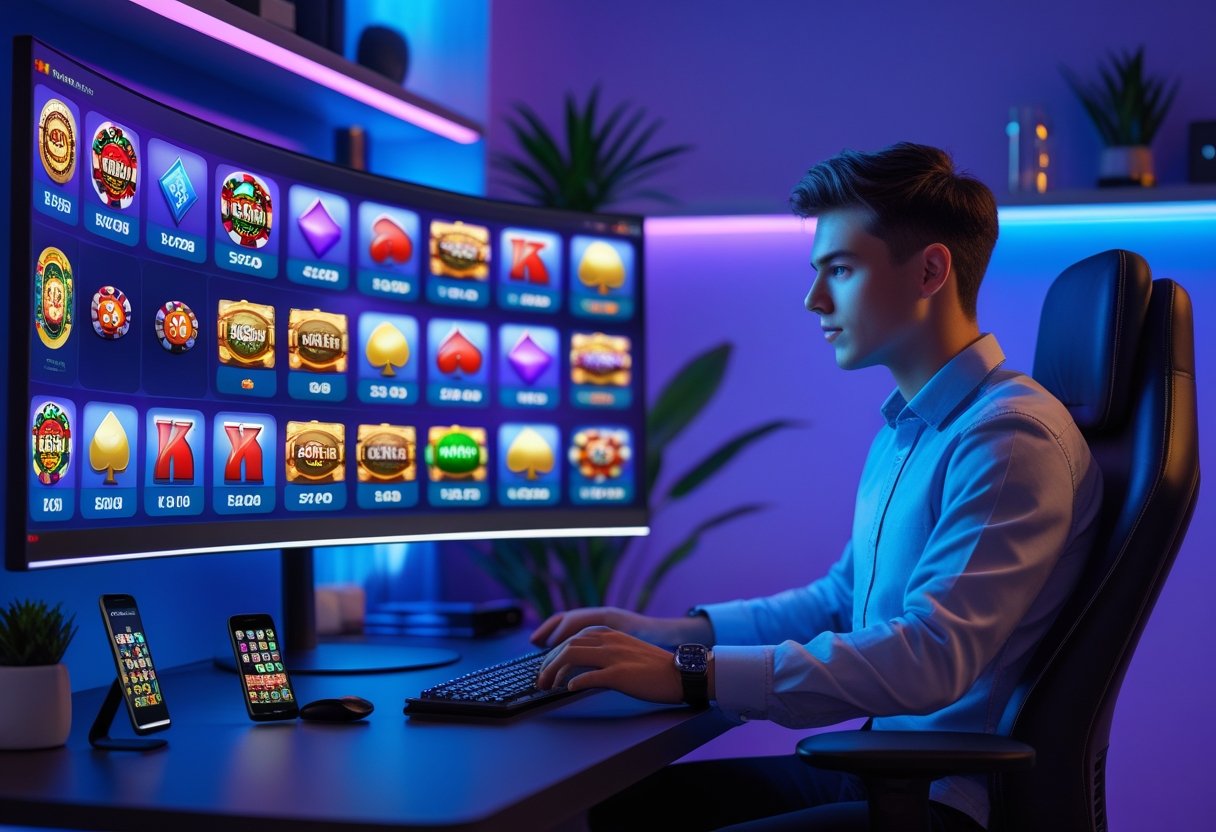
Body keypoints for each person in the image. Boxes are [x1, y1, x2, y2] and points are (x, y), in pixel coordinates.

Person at [532, 142, 1104, 831]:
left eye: (840, 269)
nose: (814, 300)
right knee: (600, 812)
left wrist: (688, 671)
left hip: (943, 801)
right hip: (885, 771)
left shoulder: (1009, 437)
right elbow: (841, 601)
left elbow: (931, 657)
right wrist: (668, 635)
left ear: (930, 271)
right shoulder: (914, 427)